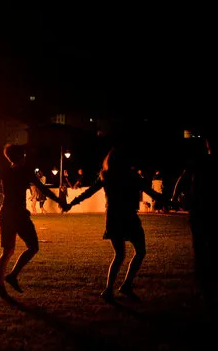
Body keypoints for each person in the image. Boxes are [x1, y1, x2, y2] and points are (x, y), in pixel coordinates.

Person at [66, 147, 166, 302]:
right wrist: (170, 201)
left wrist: (71, 203)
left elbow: (89, 192)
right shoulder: (132, 176)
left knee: (119, 255)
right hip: (129, 216)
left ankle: (108, 290)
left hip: (113, 217)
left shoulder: (106, 176)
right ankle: (125, 285)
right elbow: (151, 192)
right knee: (140, 251)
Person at [0, 144, 66, 298]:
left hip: (5, 213)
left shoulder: (4, 171)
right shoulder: (26, 171)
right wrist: (59, 200)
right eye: (23, 155)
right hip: (18, 213)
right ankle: (12, 276)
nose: (25, 157)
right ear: (20, 156)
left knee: (7, 251)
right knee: (33, 247)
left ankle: (0, 284)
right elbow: (42, 188)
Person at [171, 131, 218, 309]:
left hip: (199, 210)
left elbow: (182, 179)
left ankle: (204, 284)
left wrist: (174, 198)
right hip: (210, 210)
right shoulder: (204, 163)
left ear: (207, 145)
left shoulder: (199, 162)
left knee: (200, 248)